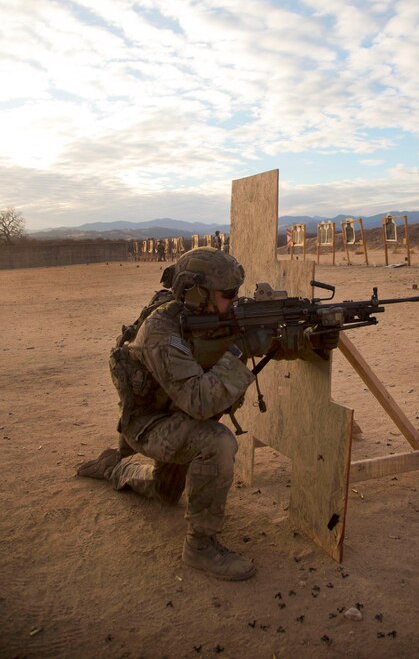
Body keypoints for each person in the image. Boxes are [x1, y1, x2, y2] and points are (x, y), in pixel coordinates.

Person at [76, 247, 339, 581]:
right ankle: (199, 546)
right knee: (217, 443)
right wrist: (241, 347)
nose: (235, 300)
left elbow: (269, 346)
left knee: (165, 492)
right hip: (150, 424)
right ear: (198, 293)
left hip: (179, 421)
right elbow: (200, 402)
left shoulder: (215, 316)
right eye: (228, 294)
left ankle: (116, 467)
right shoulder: (160, 333)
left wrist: (309, 340)